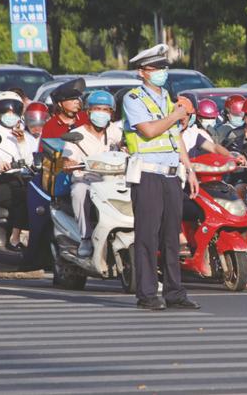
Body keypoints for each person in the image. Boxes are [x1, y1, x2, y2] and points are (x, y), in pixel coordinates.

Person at [122, 44, 200, 311]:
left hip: (170, 175)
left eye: (164, 68)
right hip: (147, 174)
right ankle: (146, 294)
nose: (162, 73)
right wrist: (175, 116)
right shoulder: (133, 99)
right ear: (143, 72)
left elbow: (175, 136)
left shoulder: (165, 97)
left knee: (171, 235)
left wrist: (189, 169)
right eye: (157, 69)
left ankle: (174, 292)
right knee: (147, 235)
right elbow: (150, 130)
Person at [62, 91, 122, 257]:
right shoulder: (77, 135)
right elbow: (66, 159)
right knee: (78, 192)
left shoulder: (115, 132)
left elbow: (127, 147)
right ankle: (85, 237)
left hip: (112, 181)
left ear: (111, 113)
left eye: (106, 109)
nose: (101, 113)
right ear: (88, 111)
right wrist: (69, 163)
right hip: (87, 180)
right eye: (97, 109)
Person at [0, 92, 33, 250]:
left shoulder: (23, 133)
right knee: (21, 195)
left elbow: (29, 161)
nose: (10, 115)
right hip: (0, 182)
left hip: (23, 178)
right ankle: (14, 238)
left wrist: (21, 142)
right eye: (6, 111)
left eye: (14, 111)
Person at [40, 78, 89, 143]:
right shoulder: (50, 126)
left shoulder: (85, 117)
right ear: (60, 104)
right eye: (71, 99)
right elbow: (45, 148)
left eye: (77, 99)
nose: (76, 102)